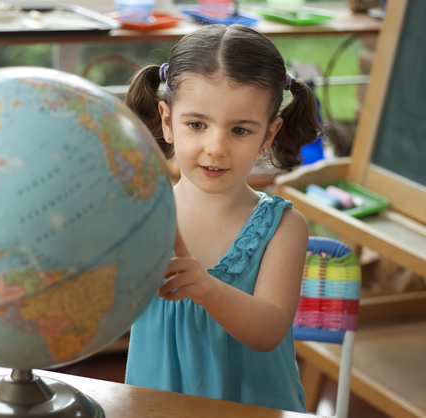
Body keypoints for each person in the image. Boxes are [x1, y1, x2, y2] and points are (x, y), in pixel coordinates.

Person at [124, 24, 321, 413]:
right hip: (153, 407)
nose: (216, 148)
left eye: (241, 130)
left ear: (269, 134)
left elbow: (268, 331)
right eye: (197, 124)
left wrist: (207, 288)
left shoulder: (284, 228)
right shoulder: (140, 214)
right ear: (167, 121)